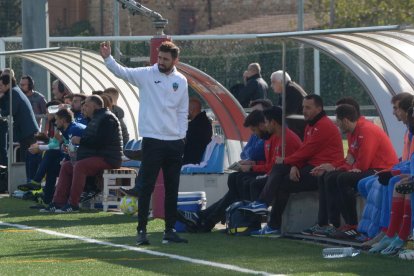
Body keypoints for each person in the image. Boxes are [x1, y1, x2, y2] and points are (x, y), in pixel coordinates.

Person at [101, 40, 189, 245]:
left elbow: (183, 110)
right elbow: (122, 72)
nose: (161, 61)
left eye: (166, 59)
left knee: (172, 187)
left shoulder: (181, 80)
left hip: (175, 142)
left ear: (175, 60)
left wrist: (182, 135)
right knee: (146, 185)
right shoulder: (147, 74)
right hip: (153, 140)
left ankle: (169, 230)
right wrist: (108, 58)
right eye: (160, 57)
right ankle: (141, 230)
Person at [177, 107, 302, 232]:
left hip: (280, 178)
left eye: (266, 122)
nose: (264, 126)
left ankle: (241, 222)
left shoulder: (284, 139)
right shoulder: (273, 137)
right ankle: (209, 219)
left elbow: (277, 167)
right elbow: (269, 163)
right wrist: (253, 164)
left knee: (246, 184)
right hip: (271, 174)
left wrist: (252, 166)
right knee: (235, 180)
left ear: (272, 123)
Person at [246, 94, 344, 236]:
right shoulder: (311, 125)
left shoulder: (323, 126)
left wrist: (287, 161)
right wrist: (294, 165)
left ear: (319, 108)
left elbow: (306, 151)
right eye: (303, 107)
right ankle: (267, 217)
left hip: (321, 170)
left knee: (281, 179)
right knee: (277, 176)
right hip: (310, 167)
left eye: (308, 107)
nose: (304, 110)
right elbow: (305, 151)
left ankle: (266, 212)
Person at [302, 103, 398, 238]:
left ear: (346, 120)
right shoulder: (352, 132)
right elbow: (350, 159)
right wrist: (332, 166)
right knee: (327, 176)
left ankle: (352, 225)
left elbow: (363, 164)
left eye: (339, 122)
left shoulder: (366, 130)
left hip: (381, 169)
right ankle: (331, 224)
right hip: (368, 167)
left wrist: (345, 168)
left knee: (342, 178)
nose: (337, 125)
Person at [41, 95, 122, 212]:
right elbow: (92, 143)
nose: (84, 108)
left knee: (80, 166)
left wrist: (80, 141)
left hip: (109, 159)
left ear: (95, 106)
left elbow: (101, 142)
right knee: (67, 165)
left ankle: (73, 204)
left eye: (87, 105)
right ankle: (58, 203)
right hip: (98, 157)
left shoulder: (107, 118)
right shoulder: (95, 119)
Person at [0, 74, 39, 181]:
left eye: (1, 86)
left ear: (8, 85)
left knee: (28, 160)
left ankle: (30, 183)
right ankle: (27, 183)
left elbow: (9, 110)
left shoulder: (14, 93)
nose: (0, 88)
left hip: (28, 132)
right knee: (26, 159)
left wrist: (1, 98)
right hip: (26, 131)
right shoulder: (15, 91)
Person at [270, 70, 307, 139]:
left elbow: (288, 113)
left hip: (300, 132)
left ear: (281, 81)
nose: (271, 85)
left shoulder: (291, 91)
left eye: (273, 82)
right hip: (299, 129)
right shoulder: (288, 89)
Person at [182, 97, 212, 165]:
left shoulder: (195, 126)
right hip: (197, 158)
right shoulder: (204, 122)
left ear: (191, 110)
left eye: (185, 110)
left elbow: (184, 144)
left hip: (192, 161)